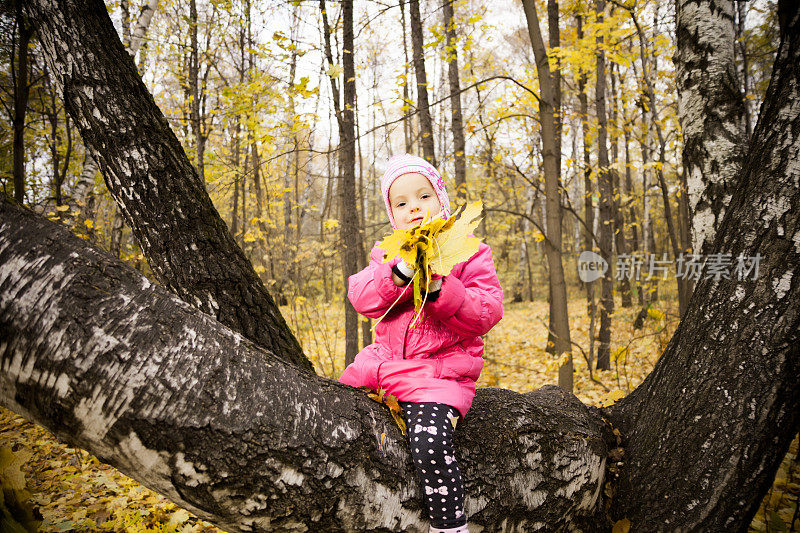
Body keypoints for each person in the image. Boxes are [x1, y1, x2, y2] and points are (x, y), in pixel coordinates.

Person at [339, 153, 504, 533]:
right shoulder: (388, 252)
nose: (414, 207)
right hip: (384, 366)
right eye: (402, 203)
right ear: (392, 215)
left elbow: (487, 311)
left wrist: (440, 288)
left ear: (441, 200)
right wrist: (395, 274)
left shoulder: (470, 251)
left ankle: (449, 526)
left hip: (439, 374)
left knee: (429, 443)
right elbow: (362, 297)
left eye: (424, 197)